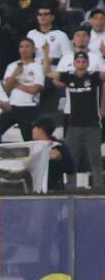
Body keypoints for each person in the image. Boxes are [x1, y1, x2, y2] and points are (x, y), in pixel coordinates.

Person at [47, 51, 105, 188]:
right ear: (73, 63)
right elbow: (48, 73)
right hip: (73, 125)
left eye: (83, 61)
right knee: (71, 160)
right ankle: (70, 190)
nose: (81, 64)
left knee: (95, 159)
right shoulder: (69, 77)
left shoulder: (94, 76)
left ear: (88, 63)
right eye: (78, 61)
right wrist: (45, 52)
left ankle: (99, 190)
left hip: (93, 125)